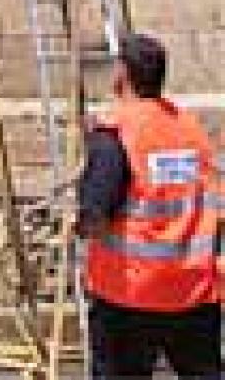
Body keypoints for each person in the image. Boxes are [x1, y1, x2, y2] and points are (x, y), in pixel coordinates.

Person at [78, 29, 222, 380]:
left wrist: (79, 226)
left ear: (122, 75)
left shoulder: (116, 133)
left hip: (130, 296)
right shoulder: (191, 131)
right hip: (193, 291)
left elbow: (95, 215)